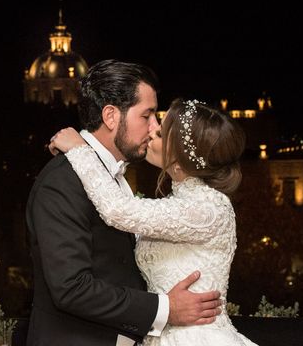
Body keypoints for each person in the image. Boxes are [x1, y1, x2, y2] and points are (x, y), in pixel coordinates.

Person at [25, 60, 223, 346]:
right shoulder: (62, 181)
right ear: (111, 117)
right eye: (147, 115)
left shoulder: (111, 177)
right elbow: (71, 288)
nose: (155, 128)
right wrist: (166, 309)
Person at [49, 97, 258, 346]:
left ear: (179, 162)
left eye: (159, 133)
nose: (151, 130)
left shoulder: (208, 208)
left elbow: (118, 209)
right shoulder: (180, 203)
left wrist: (80, 150)